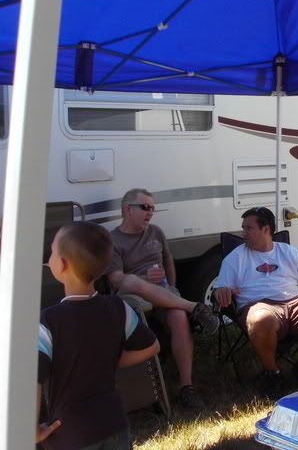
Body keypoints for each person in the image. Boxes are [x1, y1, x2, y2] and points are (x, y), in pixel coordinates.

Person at [37, 222, 160, 450]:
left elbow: (33, 379)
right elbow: (152, 346)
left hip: (70, 434)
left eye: (52, 251)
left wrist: (32, 428)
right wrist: (109, 359)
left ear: (62, 264)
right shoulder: (119, 307)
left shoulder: (48, 321)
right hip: (115, 425)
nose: (49, 256)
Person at [214, 206, 298, 394]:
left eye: (248, 228)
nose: (243, 233)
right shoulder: (235, 257)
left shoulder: (289, 252)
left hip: (295, 303)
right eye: (243, 228)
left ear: (266, 229)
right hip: (260, 305)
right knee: (261, 319)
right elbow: (221, 287)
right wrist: (222, 291)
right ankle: (272, 373)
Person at [106, 188, 218, 410]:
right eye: (145, 207)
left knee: (178, 317)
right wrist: (144, 278)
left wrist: (172, 286)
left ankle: (187, 387)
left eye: (152, 208)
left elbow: (168, 259)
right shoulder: (113, 239)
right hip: (133, 294)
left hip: (164, 291)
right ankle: (194, 307)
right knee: (132, 281)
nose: (150, 212)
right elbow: (116, 279)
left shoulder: (156, 232)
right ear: (127, 210)